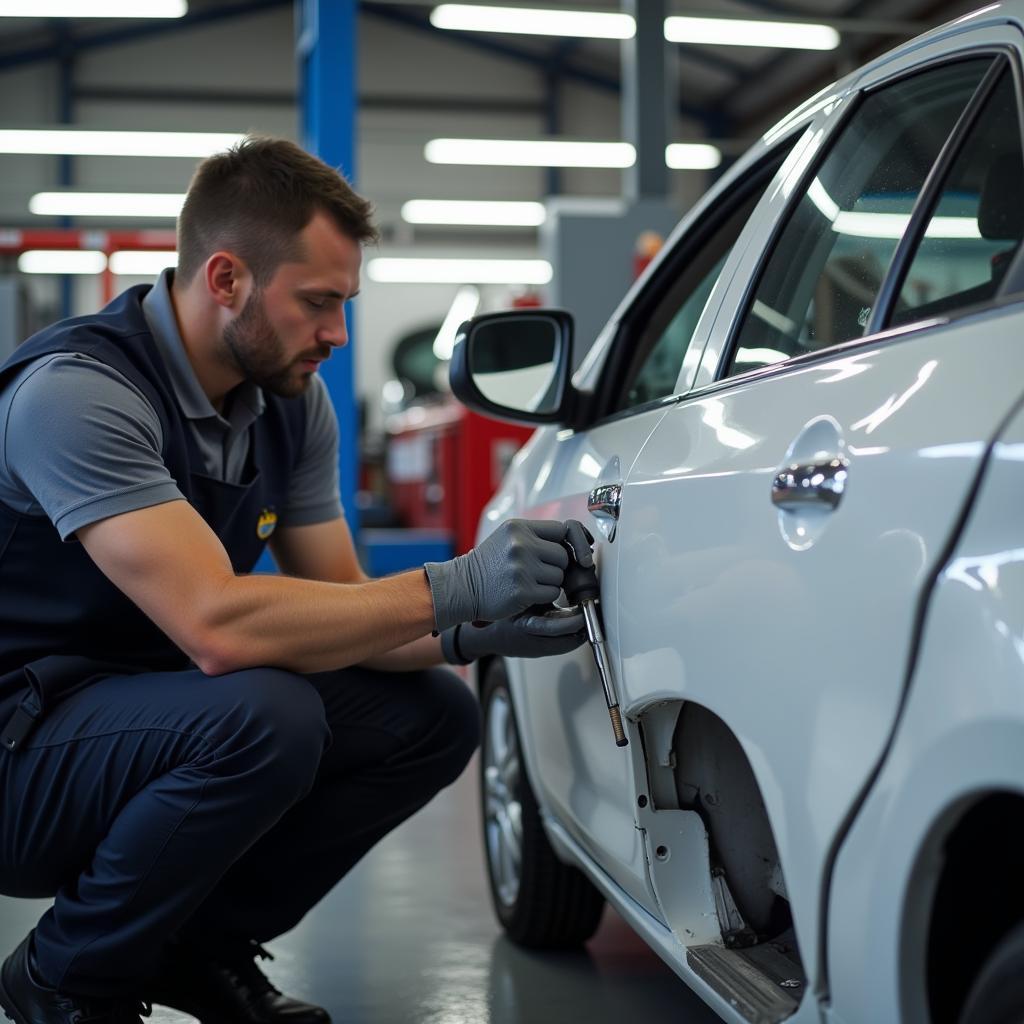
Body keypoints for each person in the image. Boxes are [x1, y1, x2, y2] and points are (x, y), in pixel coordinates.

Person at [0, 137, 592, 1024]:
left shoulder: (287, 402)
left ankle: (191, 949)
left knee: (432, 715)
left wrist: (475, 630)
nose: (339, 336)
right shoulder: (79, 394)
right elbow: (217, 625)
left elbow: (346, 597)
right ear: (227, 278)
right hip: (20, 744)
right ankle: (63, 980)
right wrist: (457, 586)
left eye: (346, 303)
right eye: (318, 303)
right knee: (263, 716)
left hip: (139, 707)